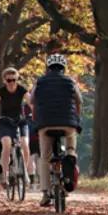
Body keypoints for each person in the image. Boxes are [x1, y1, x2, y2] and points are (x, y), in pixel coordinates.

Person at [30, 53, 83, 207]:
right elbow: (78, 102)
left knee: (45, 157)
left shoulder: (39, 82)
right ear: (63, 68)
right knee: (71, 149)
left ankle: (46, 193)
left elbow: (33, 102)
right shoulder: (71, 82)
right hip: (68, 124)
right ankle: (68, 165)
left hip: (46, 123)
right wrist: (76, 120)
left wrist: (36, 121)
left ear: (48, 67)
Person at [0, 68, 33, 187]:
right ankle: (5, 175)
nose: (12, 83)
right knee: (7, 144)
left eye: (14, 80)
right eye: (9, 80)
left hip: (20, 121)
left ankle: (24, 171)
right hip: (6, 121)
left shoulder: (21, 90)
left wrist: (34, 112)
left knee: (25, 143)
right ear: (4, 80)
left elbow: (31, 102)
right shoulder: (1, 91)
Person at [24, 103, 40, 188]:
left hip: (30, 136)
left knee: (31, 160)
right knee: (41, 160)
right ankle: (41, 181)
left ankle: (32, 181)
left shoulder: (26, 104)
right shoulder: (42, 102)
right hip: (40, 136)